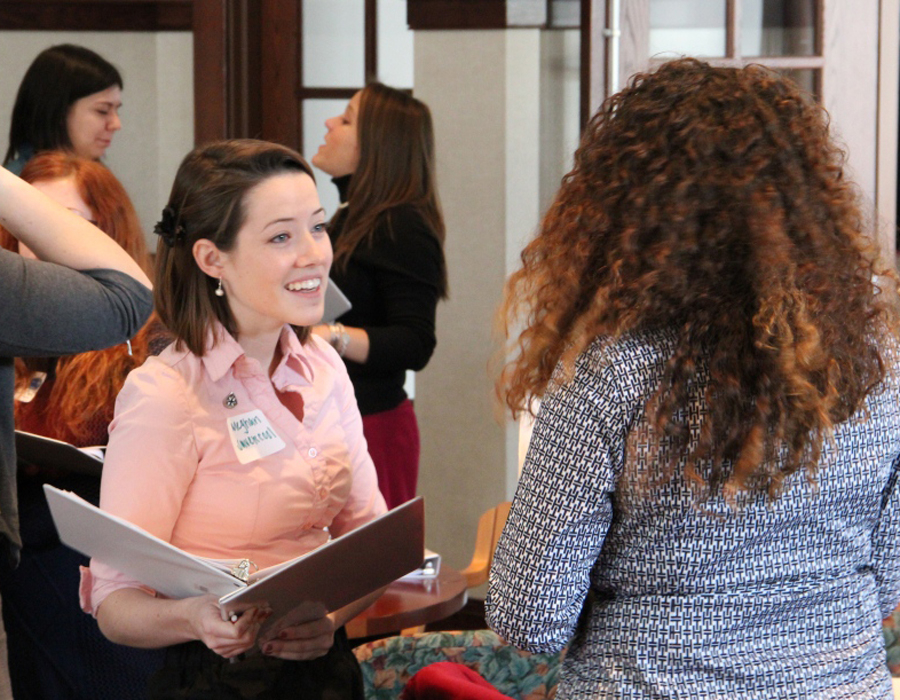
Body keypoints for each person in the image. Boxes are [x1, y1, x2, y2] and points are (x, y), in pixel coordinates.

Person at [485, 58, 900, 699]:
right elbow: (892, 574)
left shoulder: (614, 370)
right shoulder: (876, 363)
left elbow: (530, 614)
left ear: (627, 210)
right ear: (805, 203)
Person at [80, 139, 386, 699]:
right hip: (217, 681)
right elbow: (114, 602)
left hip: (325, 675)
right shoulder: (168, 392)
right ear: (211, 258)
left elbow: (371, 542)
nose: (314, 254)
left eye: (317, 227)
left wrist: (332, 618)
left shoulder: (322, 366)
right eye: (280, 237)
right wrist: (195, 616)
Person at [0, 152, 165, 699]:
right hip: (29, 582)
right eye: (31, 223)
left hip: (99, 568)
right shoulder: (20, 318)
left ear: (105, 231)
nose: (44, 243)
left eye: (65, 224)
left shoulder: (135, 343)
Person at [310, 83, 447, 509]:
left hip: (375, 423)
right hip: (332, 416)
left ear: (378, 146)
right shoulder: (348, 216)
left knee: (372, 565)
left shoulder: (401, 224)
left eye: (347, 119)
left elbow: (414, 341)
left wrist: (331, 335)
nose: (330, 123)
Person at [4, 44, 123, 174]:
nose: (116, 124)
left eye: (116, 110)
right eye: (102, 111)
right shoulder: (16, 186)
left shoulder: (93, 177)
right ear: (58, 112)